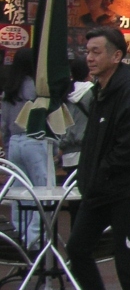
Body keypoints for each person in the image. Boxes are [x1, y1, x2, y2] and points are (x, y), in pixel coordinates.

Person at [66, 27, 130, 290]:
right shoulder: (100, 89)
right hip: (98, 191)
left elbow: (129, 146)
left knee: (127, 258)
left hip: (125, 192)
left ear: (116, 56)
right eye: (87, 51)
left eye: (96, 51)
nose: (89, 57)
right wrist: (88, 179)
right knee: (77, 248)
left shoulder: (128, 91)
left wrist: (100, 174)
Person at [1, 48, 48, 247]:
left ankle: (20, 237)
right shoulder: (37, 88)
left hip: (14, 143)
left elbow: (3, 124)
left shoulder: (9, 89)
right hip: (35, 141)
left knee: (20, 193)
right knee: (43, 193)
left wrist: (7, 145)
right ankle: (35, 241)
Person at [58, 57, 94, 171]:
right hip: (85, 151)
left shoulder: (65, 92)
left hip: (66, 153)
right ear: (88, 72)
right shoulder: (92, 92)